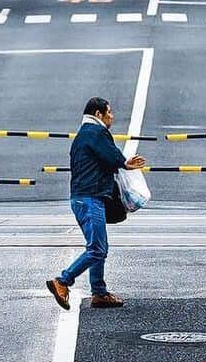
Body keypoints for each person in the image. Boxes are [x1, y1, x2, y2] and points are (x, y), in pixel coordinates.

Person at [46, 96, 146, 310]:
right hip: (90, 199)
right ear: (98, 114)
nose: (112, 116)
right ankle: (62, 281)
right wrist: (126, 164)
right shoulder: (96, 132)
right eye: (109, 112)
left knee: (98, 246)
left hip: (82, 198)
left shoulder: (82, 135)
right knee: (98, 249)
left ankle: (99, 293)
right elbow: (113, 157)